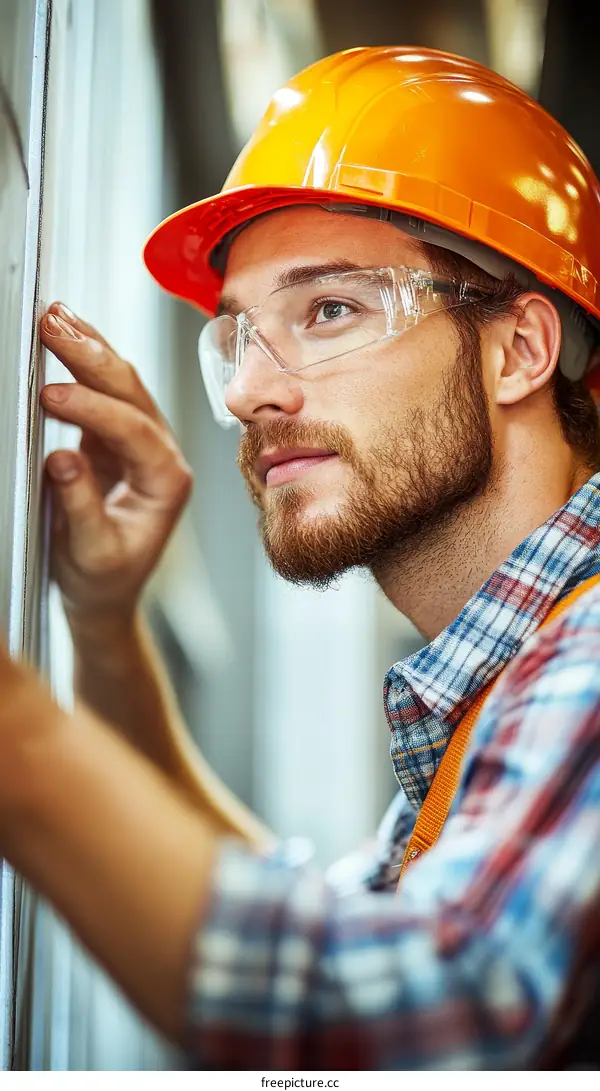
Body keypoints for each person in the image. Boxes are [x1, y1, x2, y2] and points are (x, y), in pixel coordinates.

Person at [1, 46, 600, 1070]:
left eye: (329, 310)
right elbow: (328, 931)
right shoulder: (496, 687)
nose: (247, 393)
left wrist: (17, 734)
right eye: (238, 336)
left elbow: (429, 1014)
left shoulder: (587, 653)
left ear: (519, 351)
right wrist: (105, 626)